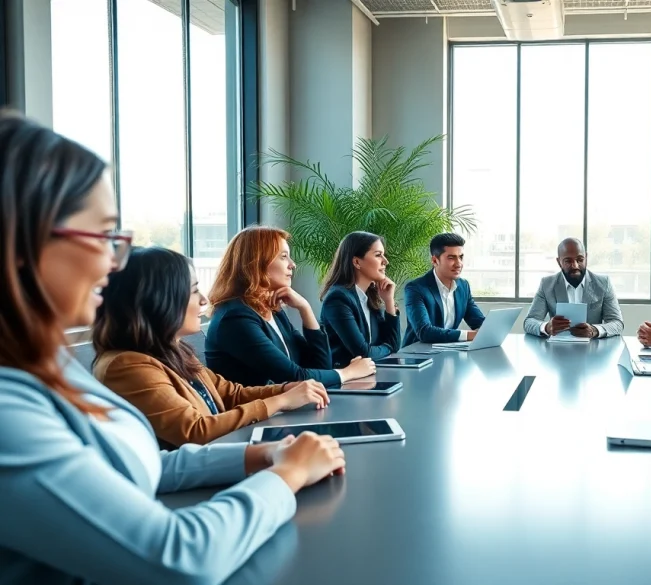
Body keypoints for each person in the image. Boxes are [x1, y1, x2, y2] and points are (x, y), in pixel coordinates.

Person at [0, 111, 346, 584]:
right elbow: (180, 557)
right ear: (20, 243)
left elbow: (133, 466)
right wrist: (286, 476)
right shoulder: (11, 411)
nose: (113, 262)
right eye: (101, 236)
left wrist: (259, 456)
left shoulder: (51, 364)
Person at [92, 246, 332, 448]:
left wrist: (287, 389)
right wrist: (281, 401)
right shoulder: (126, 366)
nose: (204, 300)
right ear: (157, 300)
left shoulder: (173, 351)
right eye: (194, 290)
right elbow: (195, 431)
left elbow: (230, 394)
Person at [204, 226, 375, 387]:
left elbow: (320, 366)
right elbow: (293, 377)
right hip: (260, 409)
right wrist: (348, 373)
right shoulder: (235, 318)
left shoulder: (272, 310)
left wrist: (305, 309)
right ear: (256, 262)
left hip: (290, 406)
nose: (292, 264)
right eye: (284, 256)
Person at [320, 231, 402, 366]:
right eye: (378, 255)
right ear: (357, 262)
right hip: (346, 377)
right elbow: (363, 353)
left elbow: (394, 344)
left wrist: (389, 301)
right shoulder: (338, 299)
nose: (385, 261)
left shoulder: (369, 296)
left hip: (372, 373)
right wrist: (389, 347)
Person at [523, 238, 624, 339]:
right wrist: (546, 327)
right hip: (558, 347)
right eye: (568, 261)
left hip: (592, 346)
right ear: (559, 262)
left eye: (580, 260)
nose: (575, 265)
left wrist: (594, 330)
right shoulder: (547, 284)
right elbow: (529, 322)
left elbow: (617, 323)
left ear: (586, 257)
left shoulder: (603, 283)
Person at [402, 233, 485, 346]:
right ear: (435, 260)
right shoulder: (416, 289)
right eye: (451, 258)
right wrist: (470, 335)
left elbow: (479, 322)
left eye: (461, 257)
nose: (458, 264)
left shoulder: (463, 286)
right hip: (418, 353)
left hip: (448, 351)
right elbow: (424, 332)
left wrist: (491, 330)